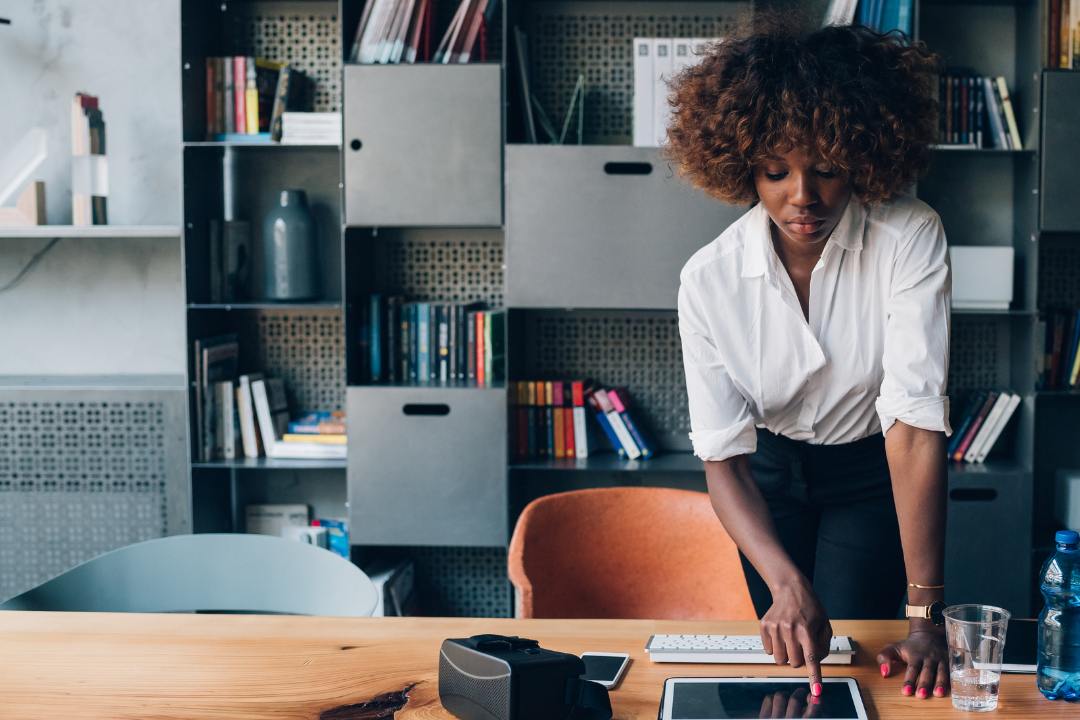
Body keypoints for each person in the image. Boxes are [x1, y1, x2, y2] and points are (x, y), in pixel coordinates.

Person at [665, 19, 951, 702]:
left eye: (826, 169)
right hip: (765, 477)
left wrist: (926, 617)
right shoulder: (707, 280)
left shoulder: (909, 236)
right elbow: (724, 461)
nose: (804, 195)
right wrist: (785, 583)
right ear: (740, 167)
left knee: (854, 654)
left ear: (862, 155)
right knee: (791, 653)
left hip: (870, 470)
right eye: (776, 171)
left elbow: (912, 426)